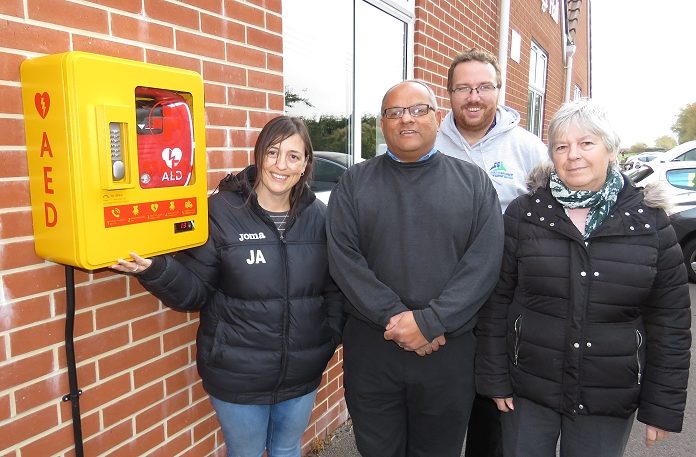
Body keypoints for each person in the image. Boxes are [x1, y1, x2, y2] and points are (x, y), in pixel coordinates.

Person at [111, 116, 345, 457]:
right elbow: (195, 292)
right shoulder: (221, 211)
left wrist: (328, 337)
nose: (281, 165)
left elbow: (334, 290)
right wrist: (155, 270)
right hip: (237, 373)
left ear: (306, 162)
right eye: (273, 152)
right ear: (258, 155)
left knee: (286, 448)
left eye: (293, 156)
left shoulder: (320, 218)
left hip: (302, 372)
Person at [475, 99, 691, 457]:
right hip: (528, 391)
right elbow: (496, 301)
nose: (573, 154)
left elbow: (670, 320)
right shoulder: (525, 214)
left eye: (586, 143)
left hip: (607, 394)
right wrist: (495, 379)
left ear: (611, 150)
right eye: (562, 146)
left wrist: (662, 407)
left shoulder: (650, 224)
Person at [326, 80, 504, 457]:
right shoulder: (354, 183)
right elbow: (344, 259)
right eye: (395, 112)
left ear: (437, 117)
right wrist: (397, 317)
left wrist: (431, 321)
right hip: (373, 350)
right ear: (383, 123)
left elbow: (483, 265)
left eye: (418, 109)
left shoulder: (473, 184)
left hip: (448, 353)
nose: (406, 119)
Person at [435, 47, 550, 457]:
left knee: (493, 417)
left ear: (499, 90)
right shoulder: (430, 146)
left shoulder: (529, 150)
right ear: (448, 93)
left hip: (504, 304)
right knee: (442, 413)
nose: (474, 96)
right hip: (440, 301)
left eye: (484, 87)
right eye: (463, 88)